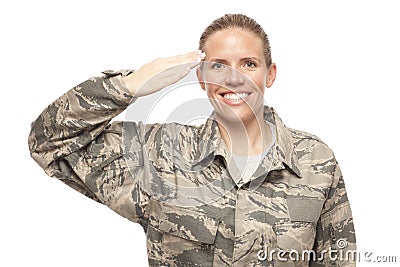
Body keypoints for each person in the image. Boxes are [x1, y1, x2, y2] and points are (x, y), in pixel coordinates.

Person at [28, 14, 356, 266]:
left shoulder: (316, 160)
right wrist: (131, 84)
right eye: (218, 65)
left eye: (249, 64)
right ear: (201, 78)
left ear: (270, 74)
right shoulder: (156, 154)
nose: (233, 78)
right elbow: (49, 140)